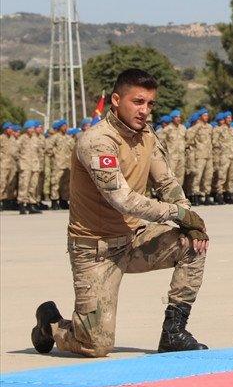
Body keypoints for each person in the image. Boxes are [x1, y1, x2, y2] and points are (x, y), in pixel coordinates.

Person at [30, 68, 210, 358]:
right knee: (95, 345)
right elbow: (122, 199)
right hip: (95, 250)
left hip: (133, 239)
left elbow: (166, 182)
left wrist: (189, 219)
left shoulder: (147, 136)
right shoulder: (98, 141)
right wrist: (177, 214)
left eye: (150, 104)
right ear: (116, 100)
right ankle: (51, 323)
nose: (145, 110)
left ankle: (174, 332)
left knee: (193, 245)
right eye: (138, 102)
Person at [16, 119, 46, 214]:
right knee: (24, 185)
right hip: (25, 166)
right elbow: (14, 151)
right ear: (26, 129)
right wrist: (20, 161)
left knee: (33, 186)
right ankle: (22, 204)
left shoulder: (36, 138)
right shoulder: (22, 138)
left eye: (33, 128)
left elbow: (41, 151)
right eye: (31, 128)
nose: (32, 129)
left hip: (34, 166)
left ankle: (31, 205)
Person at [46, 119, 74, 208]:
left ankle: (64, 201)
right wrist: (55, 155)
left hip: (67, 165)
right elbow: (48, 149)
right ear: (59, 127)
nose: (65, 127)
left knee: (66, 184)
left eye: (66, 126)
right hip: (57, 164)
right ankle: (54, 201)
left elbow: (73, 149)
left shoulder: (69, 138)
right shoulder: (54, 137)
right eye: (63, 126)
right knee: (55, 183)